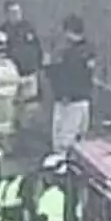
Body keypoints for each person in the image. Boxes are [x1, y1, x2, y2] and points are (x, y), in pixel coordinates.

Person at [46, 14, 96, 154]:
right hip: (83, 99)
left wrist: (50, 67)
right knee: (79, 140)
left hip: (68, 102)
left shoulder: (68, 53)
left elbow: (64, 75)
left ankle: (61, 170)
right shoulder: (89, 50)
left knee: (63, 142)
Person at [0, 0, 43, 108]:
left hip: (29, 73)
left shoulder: (28, 28)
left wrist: (37, 66)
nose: (16, 15)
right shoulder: (2, 31)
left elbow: (37, 48)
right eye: (13, 12)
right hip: (12, 75)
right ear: (6, 14)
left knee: (29, 105)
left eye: (18, 12)